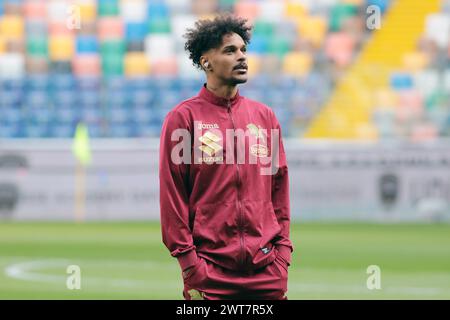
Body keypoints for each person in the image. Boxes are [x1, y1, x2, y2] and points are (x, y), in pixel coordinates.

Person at [159, 14, 293, 300]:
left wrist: (282, 254)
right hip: (209, 272)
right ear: (206, 61)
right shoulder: (183, 119)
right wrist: (190, 265)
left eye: (243, 50)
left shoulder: (264, 117)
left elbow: (279, 188)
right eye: (230, 51)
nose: (242, 57)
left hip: (267, 270)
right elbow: (173, 198)